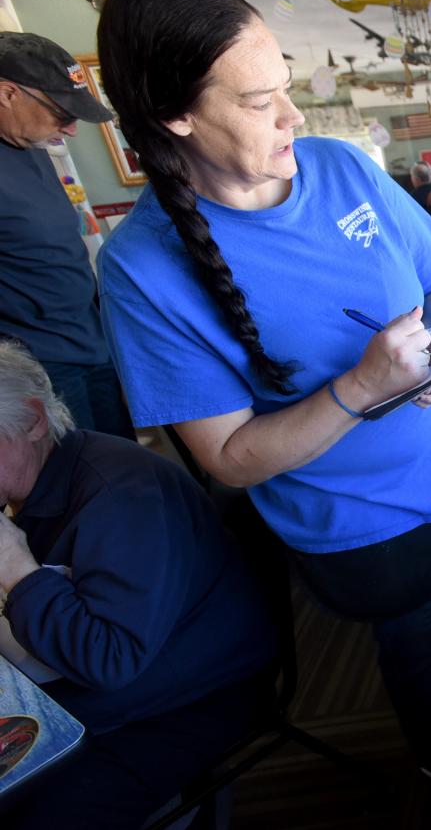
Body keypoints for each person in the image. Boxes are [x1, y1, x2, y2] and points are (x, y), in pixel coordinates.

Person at [94, 0, 431, 806]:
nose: (293, 116)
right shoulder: (141, 268)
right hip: (363, 531)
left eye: (285, 85)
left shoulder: (342, 165)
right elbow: (230, 458)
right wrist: (362, 386)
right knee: (415, 655)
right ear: (175, 114)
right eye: (260, 101)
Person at [0, 341, 275, 830]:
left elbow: (109, 659)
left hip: (197, 695)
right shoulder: (31, 481)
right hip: (121, 676)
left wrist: (16, 567)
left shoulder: (121, 496)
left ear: (33, 420)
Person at [0, 32, 135, 440]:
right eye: (61, 113)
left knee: (121, 457)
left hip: (90, 341)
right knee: (75, 469)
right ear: (8, 93)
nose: (72, 129)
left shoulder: (30, 143)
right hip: (38, 365)